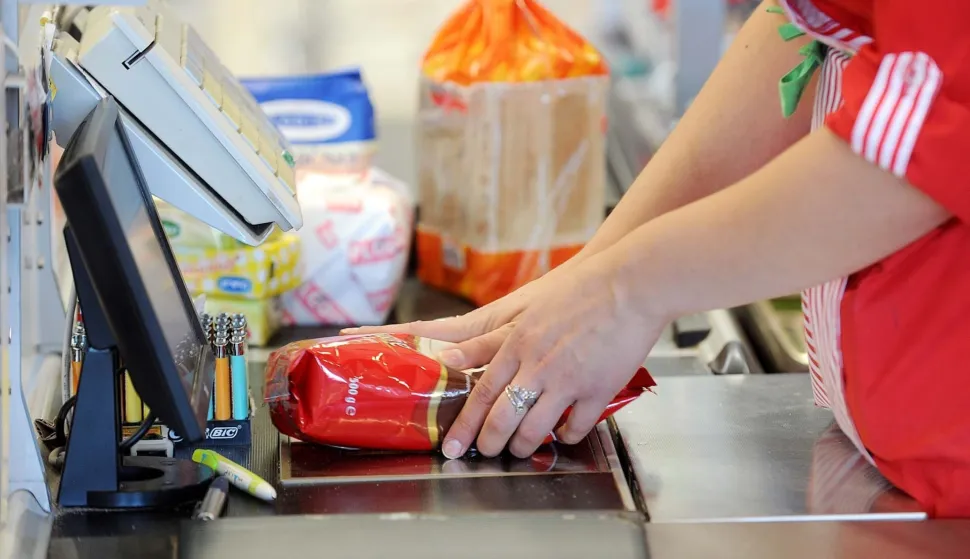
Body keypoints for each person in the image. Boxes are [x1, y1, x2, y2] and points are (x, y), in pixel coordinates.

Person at [346, 0, 970, 517]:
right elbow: (810, 26)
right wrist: (592, 274)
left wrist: (628, 289)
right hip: (896, 464)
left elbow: (924, 144)